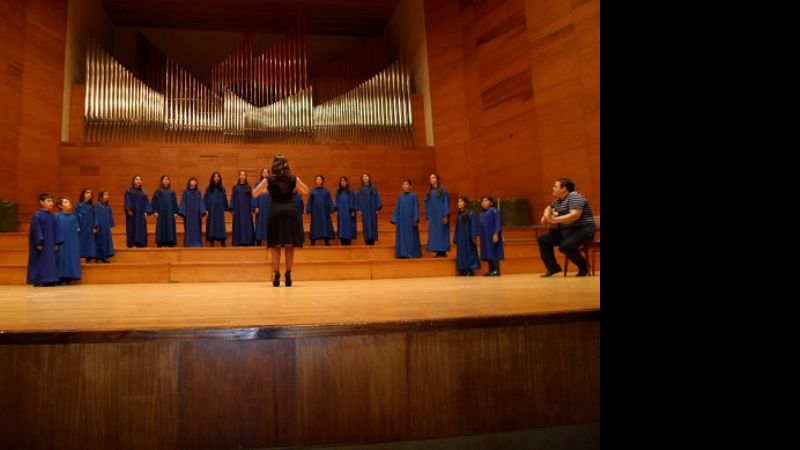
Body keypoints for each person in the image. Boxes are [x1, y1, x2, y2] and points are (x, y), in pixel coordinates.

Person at [253, 155, 310, 287]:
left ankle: (277, 274)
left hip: (275, 211)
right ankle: (288, 274)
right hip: (290, 210)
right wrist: (295, 189)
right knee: (289, 244)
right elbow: (306, 191)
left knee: (276, 245)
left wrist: (266, 191)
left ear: (274, 165)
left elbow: (255, 193)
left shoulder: (269, 179)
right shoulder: (294, 178)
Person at [538, 177, 596, 277]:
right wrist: (546, 216)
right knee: (543, 239)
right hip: (567, 230)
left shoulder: (575, 197)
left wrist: (554, 219)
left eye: (555, 186)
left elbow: (575, 215)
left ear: (563, 188)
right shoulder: (558, 201)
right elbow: (548, 208)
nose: (553, 188)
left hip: (583, 229)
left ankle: (584, 267)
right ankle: (553, 268)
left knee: (566, 246)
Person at [27, 193, 61, 286]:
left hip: (51, 244)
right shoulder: (37, 216)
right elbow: (36, 230)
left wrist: (57, 242)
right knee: (40, 261)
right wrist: (39, 242)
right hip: (42, 244)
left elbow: (56, 230)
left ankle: (50, 279)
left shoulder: (52, 216)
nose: (51, 203)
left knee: (50, 261)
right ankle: (39, 280)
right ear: (42, 202)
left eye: (51, 201)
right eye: (48, 201)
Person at [389, 179, 421, 258]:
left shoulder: (413, 196)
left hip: (411, 221)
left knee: (411, 238)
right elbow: (397, 208)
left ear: (410, 186)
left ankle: (412, 254)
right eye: (403, 184)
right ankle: (402, 253)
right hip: (402, 222)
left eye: (406, 184)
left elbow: (416, 208)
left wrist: (415, 219)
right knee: (402, 238)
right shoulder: (400, 197)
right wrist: (395, 219)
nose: (405, 186)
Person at [54, 197, 81, 284]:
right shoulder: (56, 216)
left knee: (70, 258)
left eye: (69, 202)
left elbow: (76, 229)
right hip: (61, 242)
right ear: (60, 206)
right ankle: (60, 277)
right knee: (62, 258)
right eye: (65, 202)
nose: (69, 203)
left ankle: (69, 276)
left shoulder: (73, 217)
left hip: (72, 242)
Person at [424, 173, 450, 257]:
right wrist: (427, 217)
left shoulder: (443, 190)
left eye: (433, 177)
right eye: (430, 178)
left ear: (437, 179)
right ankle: (438, 251)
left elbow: (446, 202)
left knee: (442, 232)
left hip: (441, 215)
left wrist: (446, 215)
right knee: (435, 234)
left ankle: (443, 252)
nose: (431, 179)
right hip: (433, 217)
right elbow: (427, 205)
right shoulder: (429, 192)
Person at [453, 196, 480, 276]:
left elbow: (473, 226)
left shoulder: (471, 213)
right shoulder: (459, 214)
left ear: (466, 203)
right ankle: (463, 269)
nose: (459, 203)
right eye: (458, 202)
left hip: (468, 237)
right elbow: (457, 227)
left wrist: (473, 236)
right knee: (462, 254)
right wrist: (456, 238)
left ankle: (470, 269)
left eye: (461, 202)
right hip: (461, 238)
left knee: (469, 252)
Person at [150, 175, 179, 247]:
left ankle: (170, 241)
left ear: (169, 181)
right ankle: (160, 242)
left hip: (170, 212)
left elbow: (175, 202)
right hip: (161, 212)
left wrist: (175, 212)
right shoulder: (158, 191)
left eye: (167, 179)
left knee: (170, 226)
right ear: (161, 181)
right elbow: (154, 201)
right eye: (164, 179)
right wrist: (155, 211)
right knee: (161, 226)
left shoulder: (172, 191)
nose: (166, 180)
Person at [479, 196, 504, 276]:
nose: (483, 202)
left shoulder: (494, 211)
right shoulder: (482, 214)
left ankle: (496, 270)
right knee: (488, 253)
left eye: (486, 200)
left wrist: (496, 234)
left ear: (491, 202)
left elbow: (497, 223)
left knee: (493, 252)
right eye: (482, 201)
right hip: (485, 236)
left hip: (492, 235)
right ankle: (491, 270)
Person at [306, 175, 334, 246]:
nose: (318, 181)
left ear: (322, 181)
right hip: (316, 212)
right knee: (315, 226)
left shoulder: (326, 191)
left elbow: (329, 200)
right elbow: (310, 201)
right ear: (315, 181)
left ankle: (326, 241)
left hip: (324, 212)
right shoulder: (313, 191)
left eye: (320, 179)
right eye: (317, 179)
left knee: (326, 225)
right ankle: (313, 241)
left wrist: (331, 208)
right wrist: (308, 209)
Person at [178, 177, 207, 248]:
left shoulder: (198, 192)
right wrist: (183, 212)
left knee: (197, 229)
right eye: (192, 180)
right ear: (189, 182)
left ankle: (197, 243)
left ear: (196, 183)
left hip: (196, 215)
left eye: (195, 181)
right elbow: (183, 202)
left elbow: (200, 202)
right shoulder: (186, 192)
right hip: (188, 215)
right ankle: (189, 243)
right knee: (189, 229)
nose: (193, 182)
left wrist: (203, 211)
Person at [230, 170, 255, 246]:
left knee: (247, 225)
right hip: (238, 210)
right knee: (238, 225)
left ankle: (248, 241)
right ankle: (238, 241)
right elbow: (233, 198)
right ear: (239, 176)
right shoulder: (235, 187)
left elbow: (252, 198)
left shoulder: (248, 187)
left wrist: (252, 208)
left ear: (246, 177)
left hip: (246, 210)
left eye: (244, 175)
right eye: (241, 175)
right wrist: (232, 208)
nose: (242, 176)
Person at [204, 171, 229, 247]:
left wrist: (225, 209)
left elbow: (224, 199)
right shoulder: (208, 189)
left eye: (218, 176)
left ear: (220, 178)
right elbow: (205, 199)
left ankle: (222, 241)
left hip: (219, 211)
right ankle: (212, 241)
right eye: (215, 176)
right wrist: (205, 209)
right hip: (211, 210)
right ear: (212, 178)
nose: (216, 178)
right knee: (211, 225)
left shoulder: (222, 189)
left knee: (220, 225)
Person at [356, 172, 382, 245]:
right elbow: (357, 199)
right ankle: (367, 240)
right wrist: (359, 209)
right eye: (363, 177)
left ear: (369, 178)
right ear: (362, 179)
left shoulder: (374, 188)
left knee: (373, 224)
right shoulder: (360, 189)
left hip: (373, 209)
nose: (365, 178)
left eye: (366, 176)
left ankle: (372, 240)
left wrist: (377, 208)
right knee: (366, 224)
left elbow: (377, 198)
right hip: (365, 210)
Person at [124, 175, 149, 248]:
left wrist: (146, 211)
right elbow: (127, 201)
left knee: (141, 228)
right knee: (132, 227)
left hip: (141, 214)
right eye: (137, 179)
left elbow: (146, 203)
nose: (138, 181)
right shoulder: (129, 191)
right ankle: (132, 243)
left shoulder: (143, 193)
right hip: (132, 214)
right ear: (133, 181)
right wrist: (128, 209)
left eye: (140, 180)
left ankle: (141, 243)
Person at [75, 188, 99, 263]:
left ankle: (89, 257)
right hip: (81, 227)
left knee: (90, 242)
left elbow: (96, 216)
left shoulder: (92, 206)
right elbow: (75, 216)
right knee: (81, 241)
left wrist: (96, 226)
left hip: (90, 227)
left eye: (90, 193)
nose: (89, 194)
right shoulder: (78, 205)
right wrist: (77, 226)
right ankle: (79, 257)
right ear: (83, 194)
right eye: (87, 193)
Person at [333, 176, 357, 245]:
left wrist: (352, 210)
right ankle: (342, 240)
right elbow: (336, 201)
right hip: (341, 212)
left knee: (349, 226)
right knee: (341, 226)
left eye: (344, 181)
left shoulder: (351, 191)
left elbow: (353, 200)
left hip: (348, 212)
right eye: (341, 181)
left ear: (347, 182)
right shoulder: (338, 192)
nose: (342, 182)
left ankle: (348, 241)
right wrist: (336, 209)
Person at [94, 190, 115, 262]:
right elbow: (95, 216)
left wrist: (111, 226)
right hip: (100, 227)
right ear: (100, 196)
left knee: (106, 241)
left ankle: (103, 257)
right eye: (105, 195)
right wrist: (96, 225)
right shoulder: (96, 206)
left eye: (107, 195)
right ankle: (98, 257)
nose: (106, 196)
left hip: (106, 227)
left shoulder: (108, 207)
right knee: (99, 241)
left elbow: (110, 217)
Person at [252, 168, 271, 246]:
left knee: (269, 223)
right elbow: (255, 195)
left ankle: (270, 239)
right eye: (264, 172)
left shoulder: (272, 184)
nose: (265, 174)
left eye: (267, 172)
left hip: (269, 206)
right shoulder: (258, 183)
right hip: (261, 206)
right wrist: (256, 206)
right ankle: (259, 240)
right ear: (261, 174)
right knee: (260, 223)